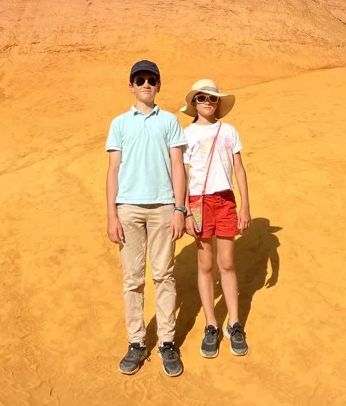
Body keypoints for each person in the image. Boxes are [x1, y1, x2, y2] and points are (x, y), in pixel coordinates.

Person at [106, 60, 188, 377]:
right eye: (139, 79)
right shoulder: (120, 124)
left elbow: (178, 167)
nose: (145, 84)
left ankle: (166, 342)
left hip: (164, 207)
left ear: (158, 85)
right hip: (128, 208)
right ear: (131, 85)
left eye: (151, 80)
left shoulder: (169, 122)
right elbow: (113, 170)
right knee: (133, 279)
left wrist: (180, 209)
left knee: (164, 275)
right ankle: (137, 342)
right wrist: (111, 213)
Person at [181, 79, 251, 358]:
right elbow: (184, 175)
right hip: (198, 202)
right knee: (206, 263)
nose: (207, 102)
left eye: (212, 98)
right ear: (193, 103)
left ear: (218, 103)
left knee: (227, 263)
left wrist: (245, 206)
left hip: (225, 200)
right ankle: (211, 323)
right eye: (201, 98)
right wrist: (184, 209)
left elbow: (240, 169)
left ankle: (234, 322)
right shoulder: (186, 134)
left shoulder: (230, 131)